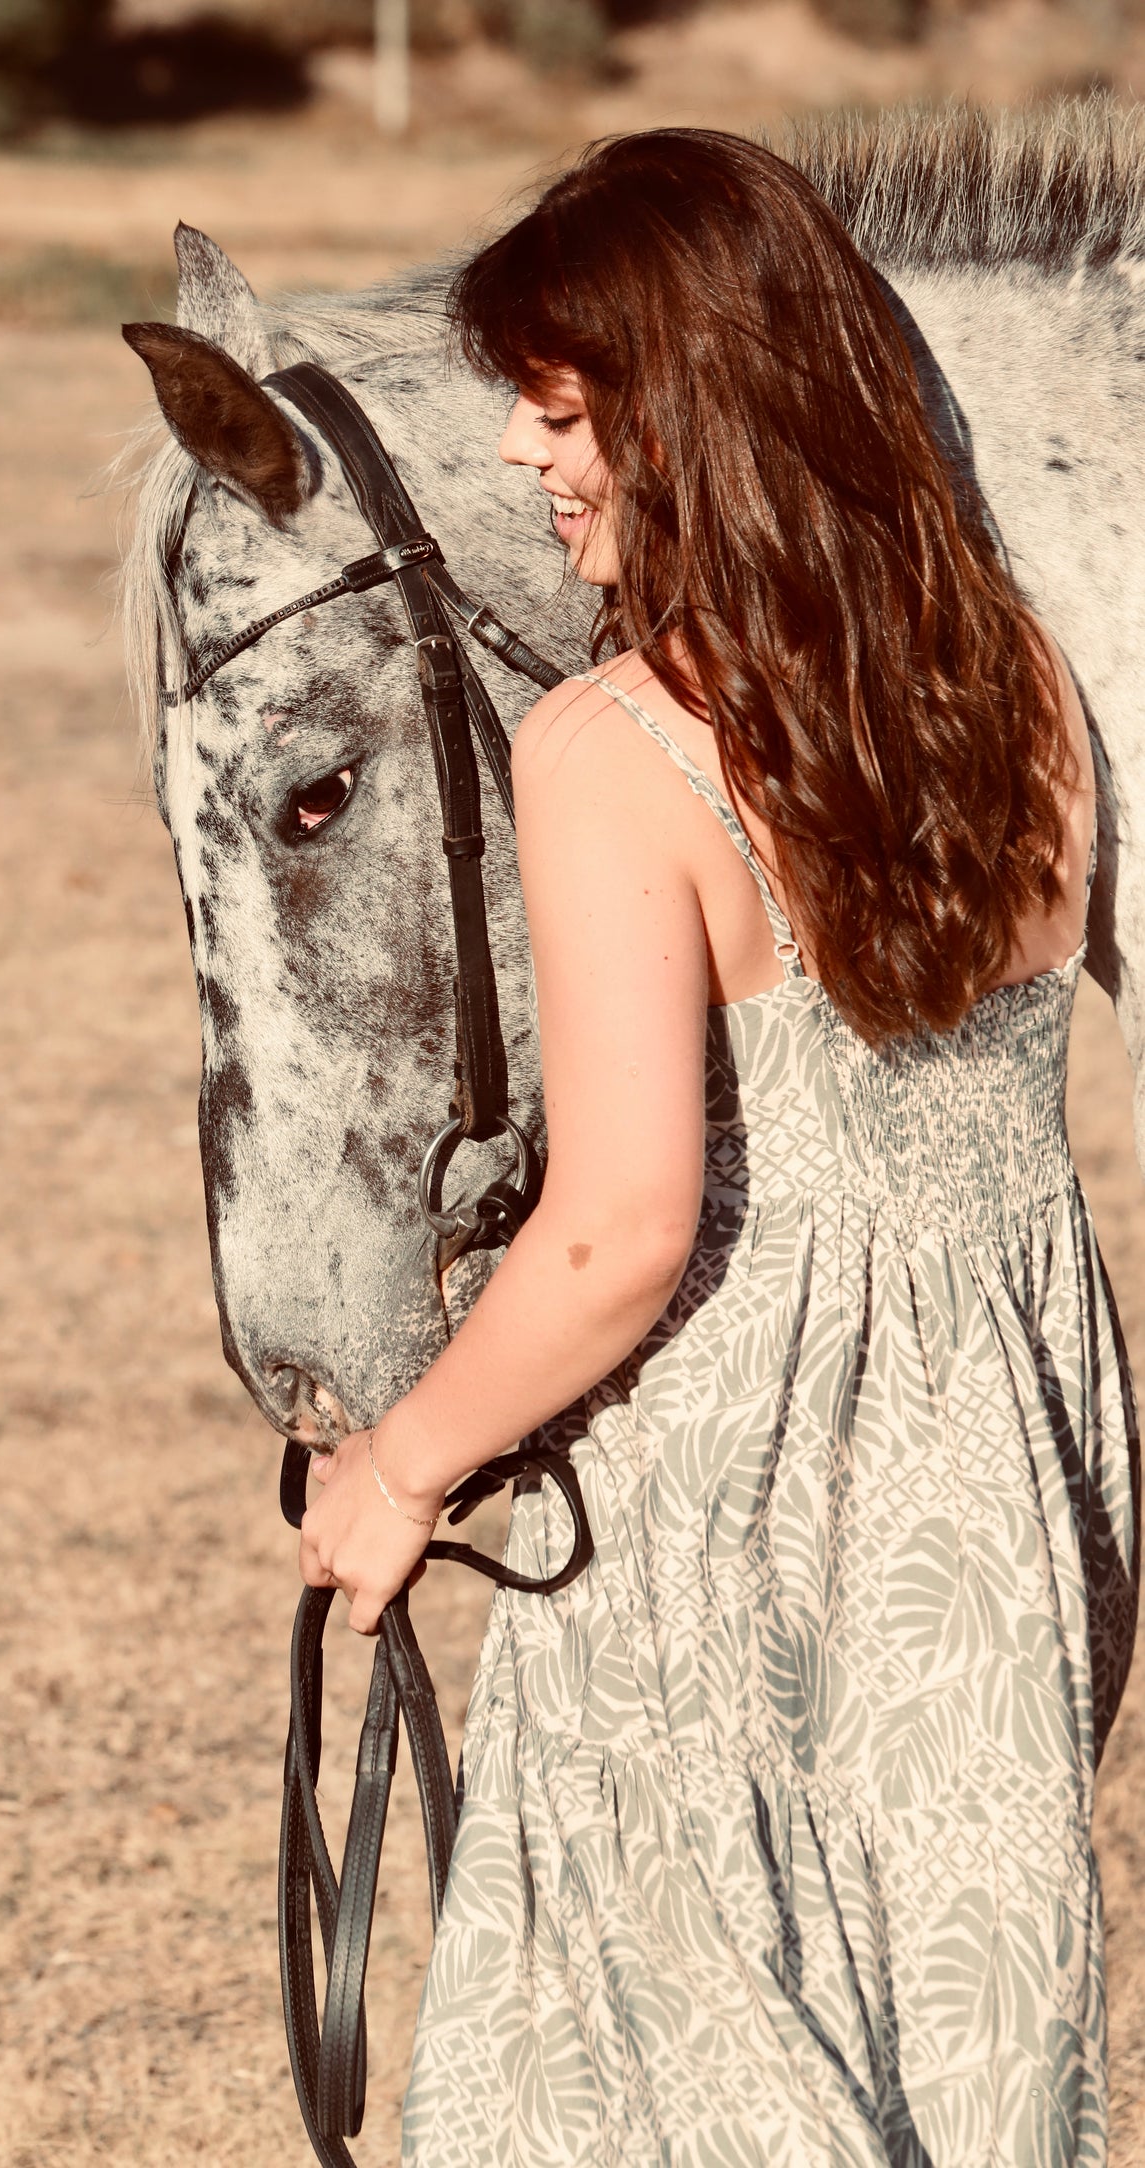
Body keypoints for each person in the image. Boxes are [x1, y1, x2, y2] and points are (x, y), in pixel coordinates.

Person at [297, 129, 1139, 2166]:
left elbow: (621, 1229)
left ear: (696, 416)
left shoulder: (613, 753)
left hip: (743, 1472)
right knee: (953, 2000)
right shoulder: (1026, 683)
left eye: (562, 406)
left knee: (677, 2030)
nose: (522, 454)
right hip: (1008, 1440)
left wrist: (399, 1470)